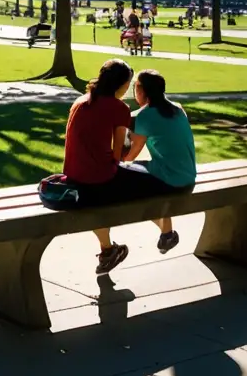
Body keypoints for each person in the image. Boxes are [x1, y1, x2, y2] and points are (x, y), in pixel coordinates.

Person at [59, 59, 184, 275]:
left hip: (73, 174)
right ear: (124, 85)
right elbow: (118, 156)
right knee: (149, 184)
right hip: (100, 178)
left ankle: (108, 250)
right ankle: (167, 232)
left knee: (94, 201)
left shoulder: (80, 101)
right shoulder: (119, 108)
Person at [127, 69, 197, 253]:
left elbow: (130, 156)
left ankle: (166, 233)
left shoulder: (144, 116)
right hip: (188, 176)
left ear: (142, 91)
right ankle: (167, 234)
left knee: (126, 181)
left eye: (135, 87)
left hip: (171, 180)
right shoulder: (178, 108)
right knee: (144, 173)